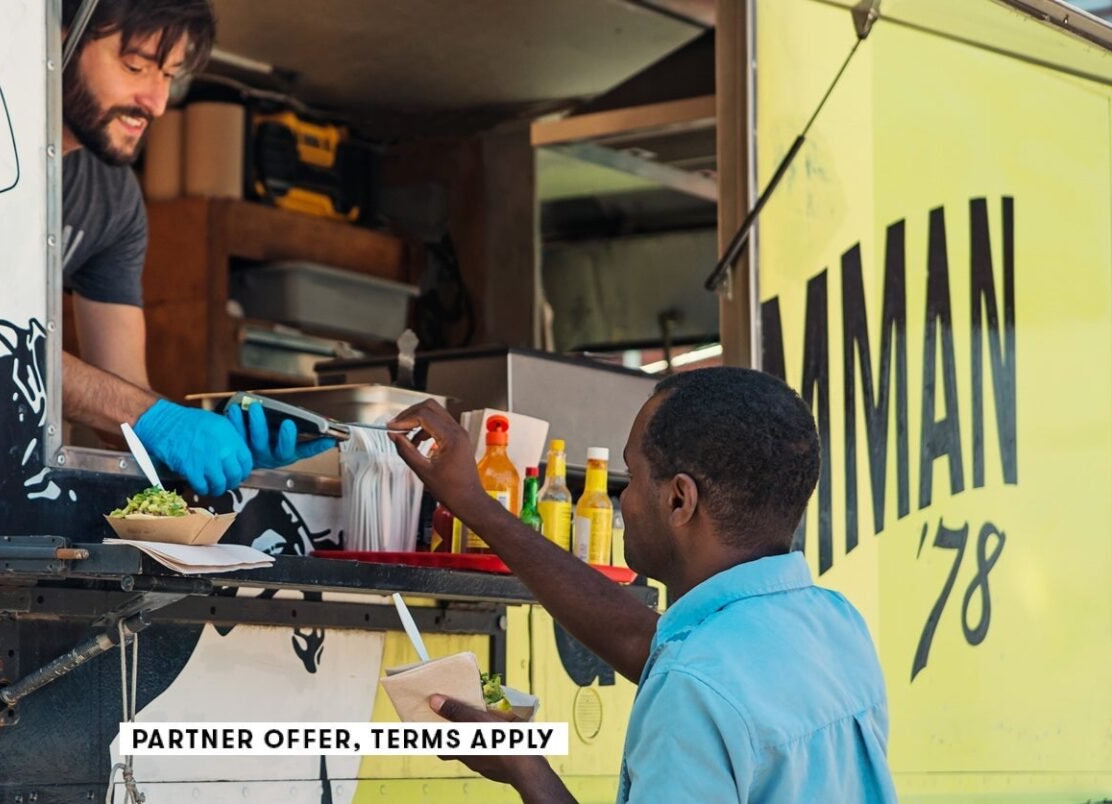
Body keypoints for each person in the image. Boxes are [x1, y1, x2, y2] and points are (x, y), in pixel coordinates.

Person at [387, 367, 896, 803]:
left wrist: (525, 768)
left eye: (630, 477)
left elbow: (688, 674)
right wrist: (475, 505)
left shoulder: (691, 689)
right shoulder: (834, 624)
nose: (621, 501)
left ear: (679, 500)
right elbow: (645, 642)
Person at [54, 0, 331, 494]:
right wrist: (154, 418)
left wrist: (219, 440)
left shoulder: (114, 200)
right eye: (135, 66)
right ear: (58, 40)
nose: (157, 102)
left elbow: (120, 411)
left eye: (170, 76)